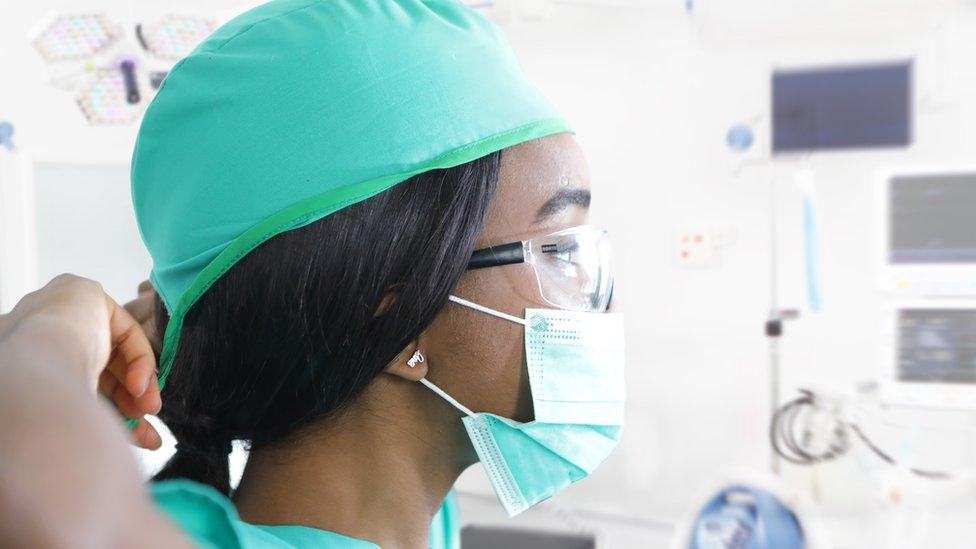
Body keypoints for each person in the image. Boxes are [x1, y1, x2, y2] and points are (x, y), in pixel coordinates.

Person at [0, 0, 625, 547]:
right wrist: (54, 325)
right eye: (560, 252)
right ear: (392, 311)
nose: (600, 306)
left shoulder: (409, 517)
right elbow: (26, 493)